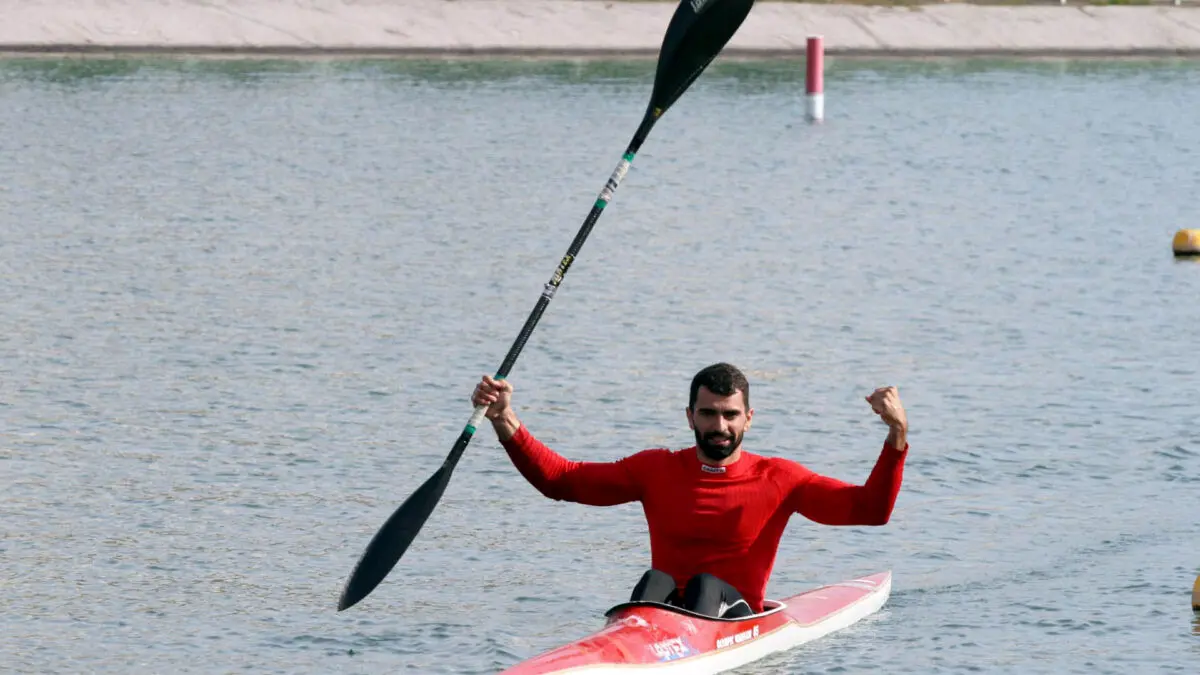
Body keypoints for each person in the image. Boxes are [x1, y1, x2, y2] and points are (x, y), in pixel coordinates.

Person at [470, 362, 908, 619]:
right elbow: (561, 481)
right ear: (690, 417)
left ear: (748, 418)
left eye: (730, 415)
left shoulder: (780, 478)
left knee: (704, 585)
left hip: (736, 622)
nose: (719, 426)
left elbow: (870, 510)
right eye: (708, 414)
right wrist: (504, 419)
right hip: (663, 619)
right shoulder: (656, 469)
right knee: (656, 580)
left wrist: (897, 436)